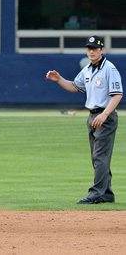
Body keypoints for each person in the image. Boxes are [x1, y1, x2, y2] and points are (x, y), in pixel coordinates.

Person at [46, 35, 122, 204]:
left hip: (105, 116)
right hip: (92, 116)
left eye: (94, 48)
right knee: (98, 157)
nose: (91, 51)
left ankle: (96, 193)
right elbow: (74, 86)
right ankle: (106, 193)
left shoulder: (109, 68)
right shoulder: (88, 69)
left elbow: (117, 95)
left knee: (100, 156)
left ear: (101, 50)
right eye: (89, 48)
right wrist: (59, 80)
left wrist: (104, 115)